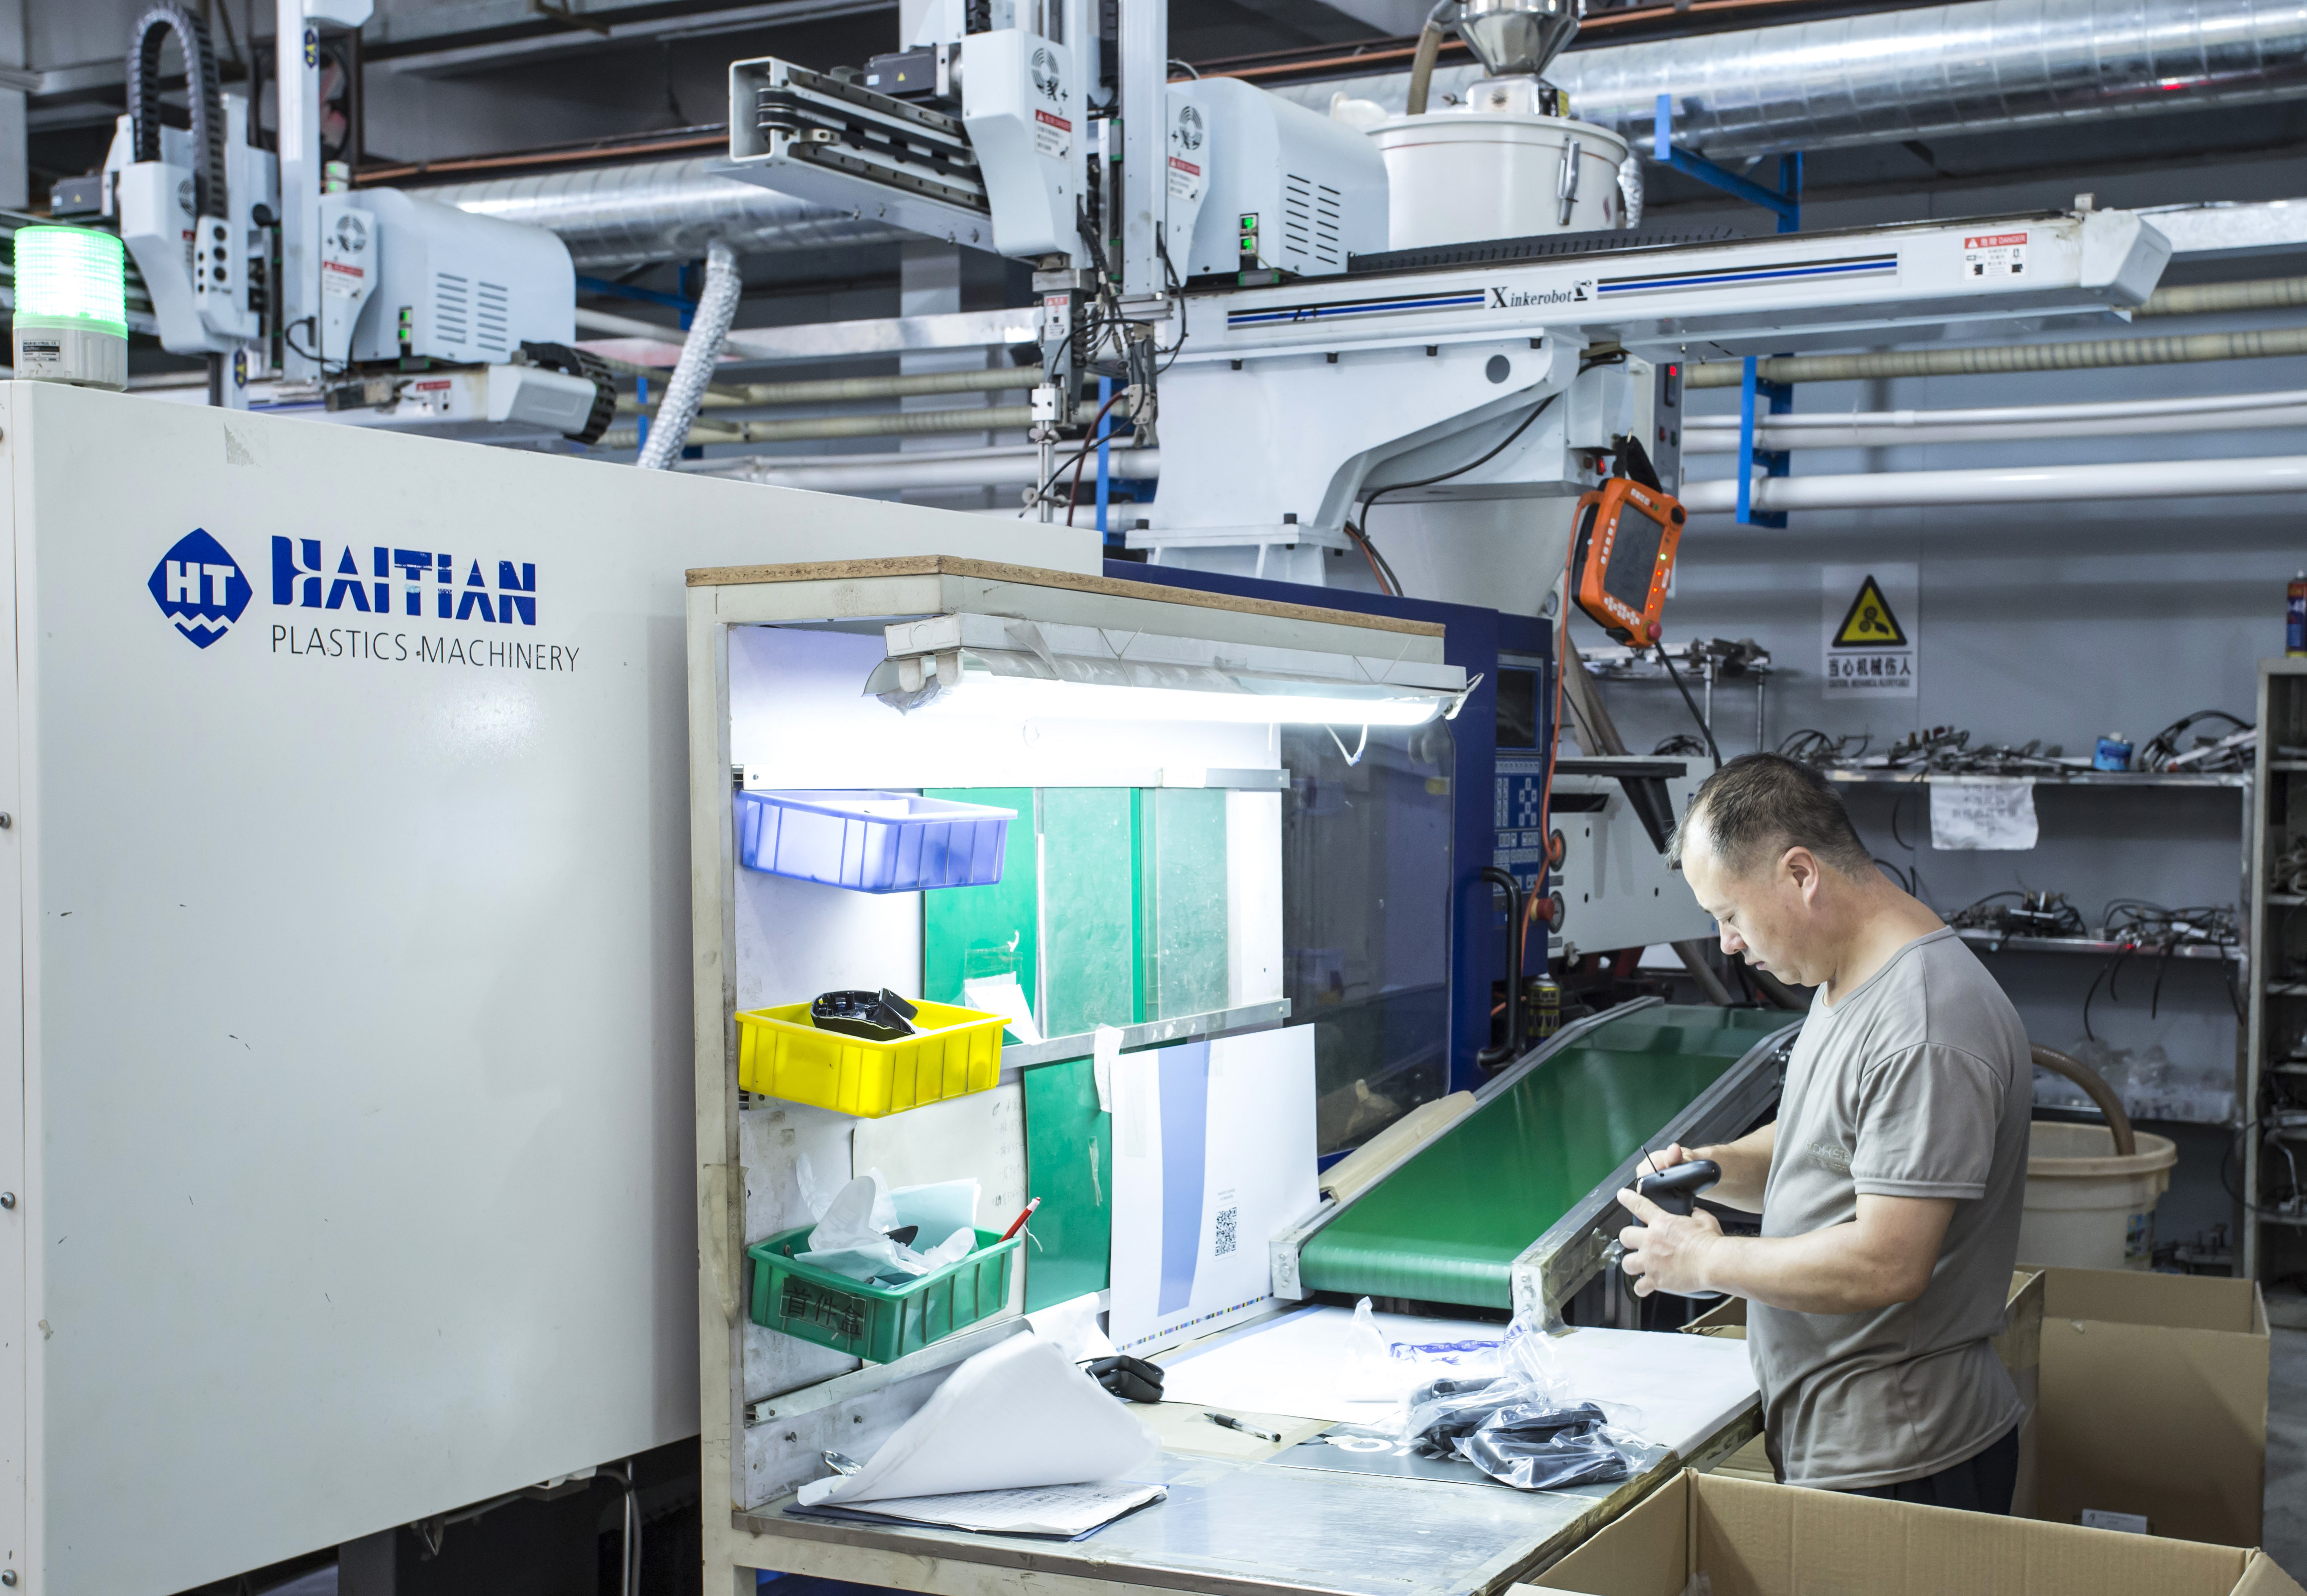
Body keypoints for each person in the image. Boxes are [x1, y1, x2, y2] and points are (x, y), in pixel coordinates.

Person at [1615, 752, 2031, 1513]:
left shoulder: (1923, 1023)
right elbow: (1827, 1145)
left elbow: (1886, 1263)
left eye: (1729, 915)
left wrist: (1706, 1260)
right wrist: (1714, 1166)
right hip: (1848, 1440)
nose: (1727, 943)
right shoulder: (1850, 980)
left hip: (1904, 1457)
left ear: (1800, 874)